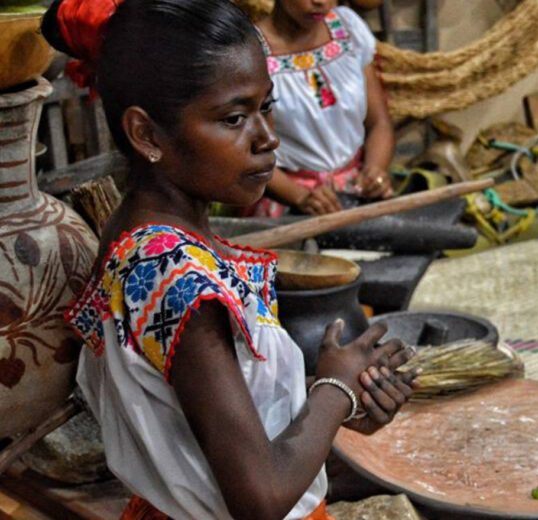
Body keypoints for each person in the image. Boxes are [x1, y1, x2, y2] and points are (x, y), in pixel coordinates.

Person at [44, 0, 417, 518]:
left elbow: (197, 416)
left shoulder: (145, 238)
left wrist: (339, 397)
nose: (267, 139)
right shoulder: (180, 278)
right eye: (234, 117)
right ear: (146, 134)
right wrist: (334, 390)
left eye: (266, 107)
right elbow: (258, 499)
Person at [246, 0, 395, 217]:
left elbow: (379, 123)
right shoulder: (250, 52)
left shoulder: (348, 28)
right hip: (285, 205)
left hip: (355, 195)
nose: (321, 2)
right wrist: (299, 196)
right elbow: (241, 153)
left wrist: (375, 170)